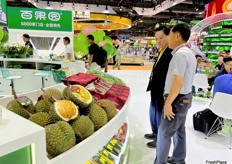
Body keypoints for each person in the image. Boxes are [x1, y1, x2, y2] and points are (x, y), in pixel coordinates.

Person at [154, 24, 196, 164]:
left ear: (177, 36)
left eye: (170, 35)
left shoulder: (180, 55)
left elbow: (178, 82)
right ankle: (178, 159)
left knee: (164, 134)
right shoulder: (189, 52)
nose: (168, 38)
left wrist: (168, 103)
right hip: (185, 98)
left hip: (177, 100)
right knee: (179, 131)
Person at [145, 26, 173, 149]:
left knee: (160, 114)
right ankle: (155, 132)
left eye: (161, 38)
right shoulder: (162, 50)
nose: (158, 41)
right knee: (153, 112)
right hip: (155, 88)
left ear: (169, 36)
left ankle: (159, 138)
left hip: (162, 90)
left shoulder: (171, 52)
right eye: (156, 39)